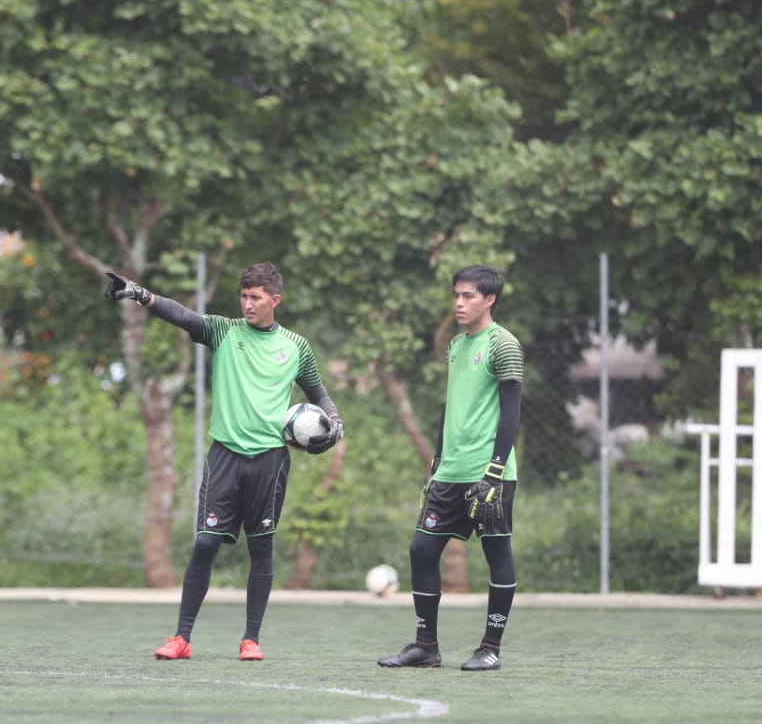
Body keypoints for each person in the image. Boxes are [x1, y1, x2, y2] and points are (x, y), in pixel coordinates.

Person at [105, 262, 343, 662]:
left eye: (256, 298)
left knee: (262, 550)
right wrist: (139, 293)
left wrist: (335, 421)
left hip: (270, 460)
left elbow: (318, 393)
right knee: (204, 544)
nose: (248, 304)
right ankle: (181, 638)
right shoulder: (224, 331)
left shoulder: (296, 346)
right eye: (244, 296)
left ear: (274, 300)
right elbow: (183, 316)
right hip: (225, 456)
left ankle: (251, 639)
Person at [378, 265, 523, 672]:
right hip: (450, 472)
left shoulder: (503, 345)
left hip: (488, 474)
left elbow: (512, 413)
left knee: (497, 555)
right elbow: (452, 406)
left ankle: (489, 648)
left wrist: (495, 469)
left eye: (469, 296)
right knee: (421, 550)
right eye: (456, 295)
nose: (459, 303)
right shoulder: (457, 346)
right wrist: (437, 461)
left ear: (489, 299)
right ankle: (426, 646)